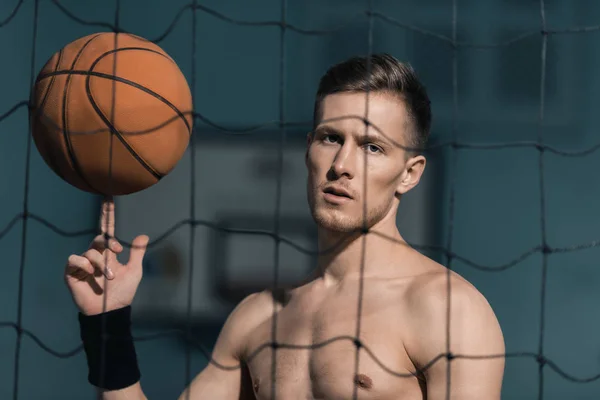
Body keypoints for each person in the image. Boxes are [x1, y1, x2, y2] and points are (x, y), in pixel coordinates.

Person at [65, 53, 505, 399]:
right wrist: (108, 326)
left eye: (372, 147)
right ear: (309, 147)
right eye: (331, 138)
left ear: (409, 174)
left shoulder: (447, 310)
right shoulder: (259, 317)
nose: (342, 166)